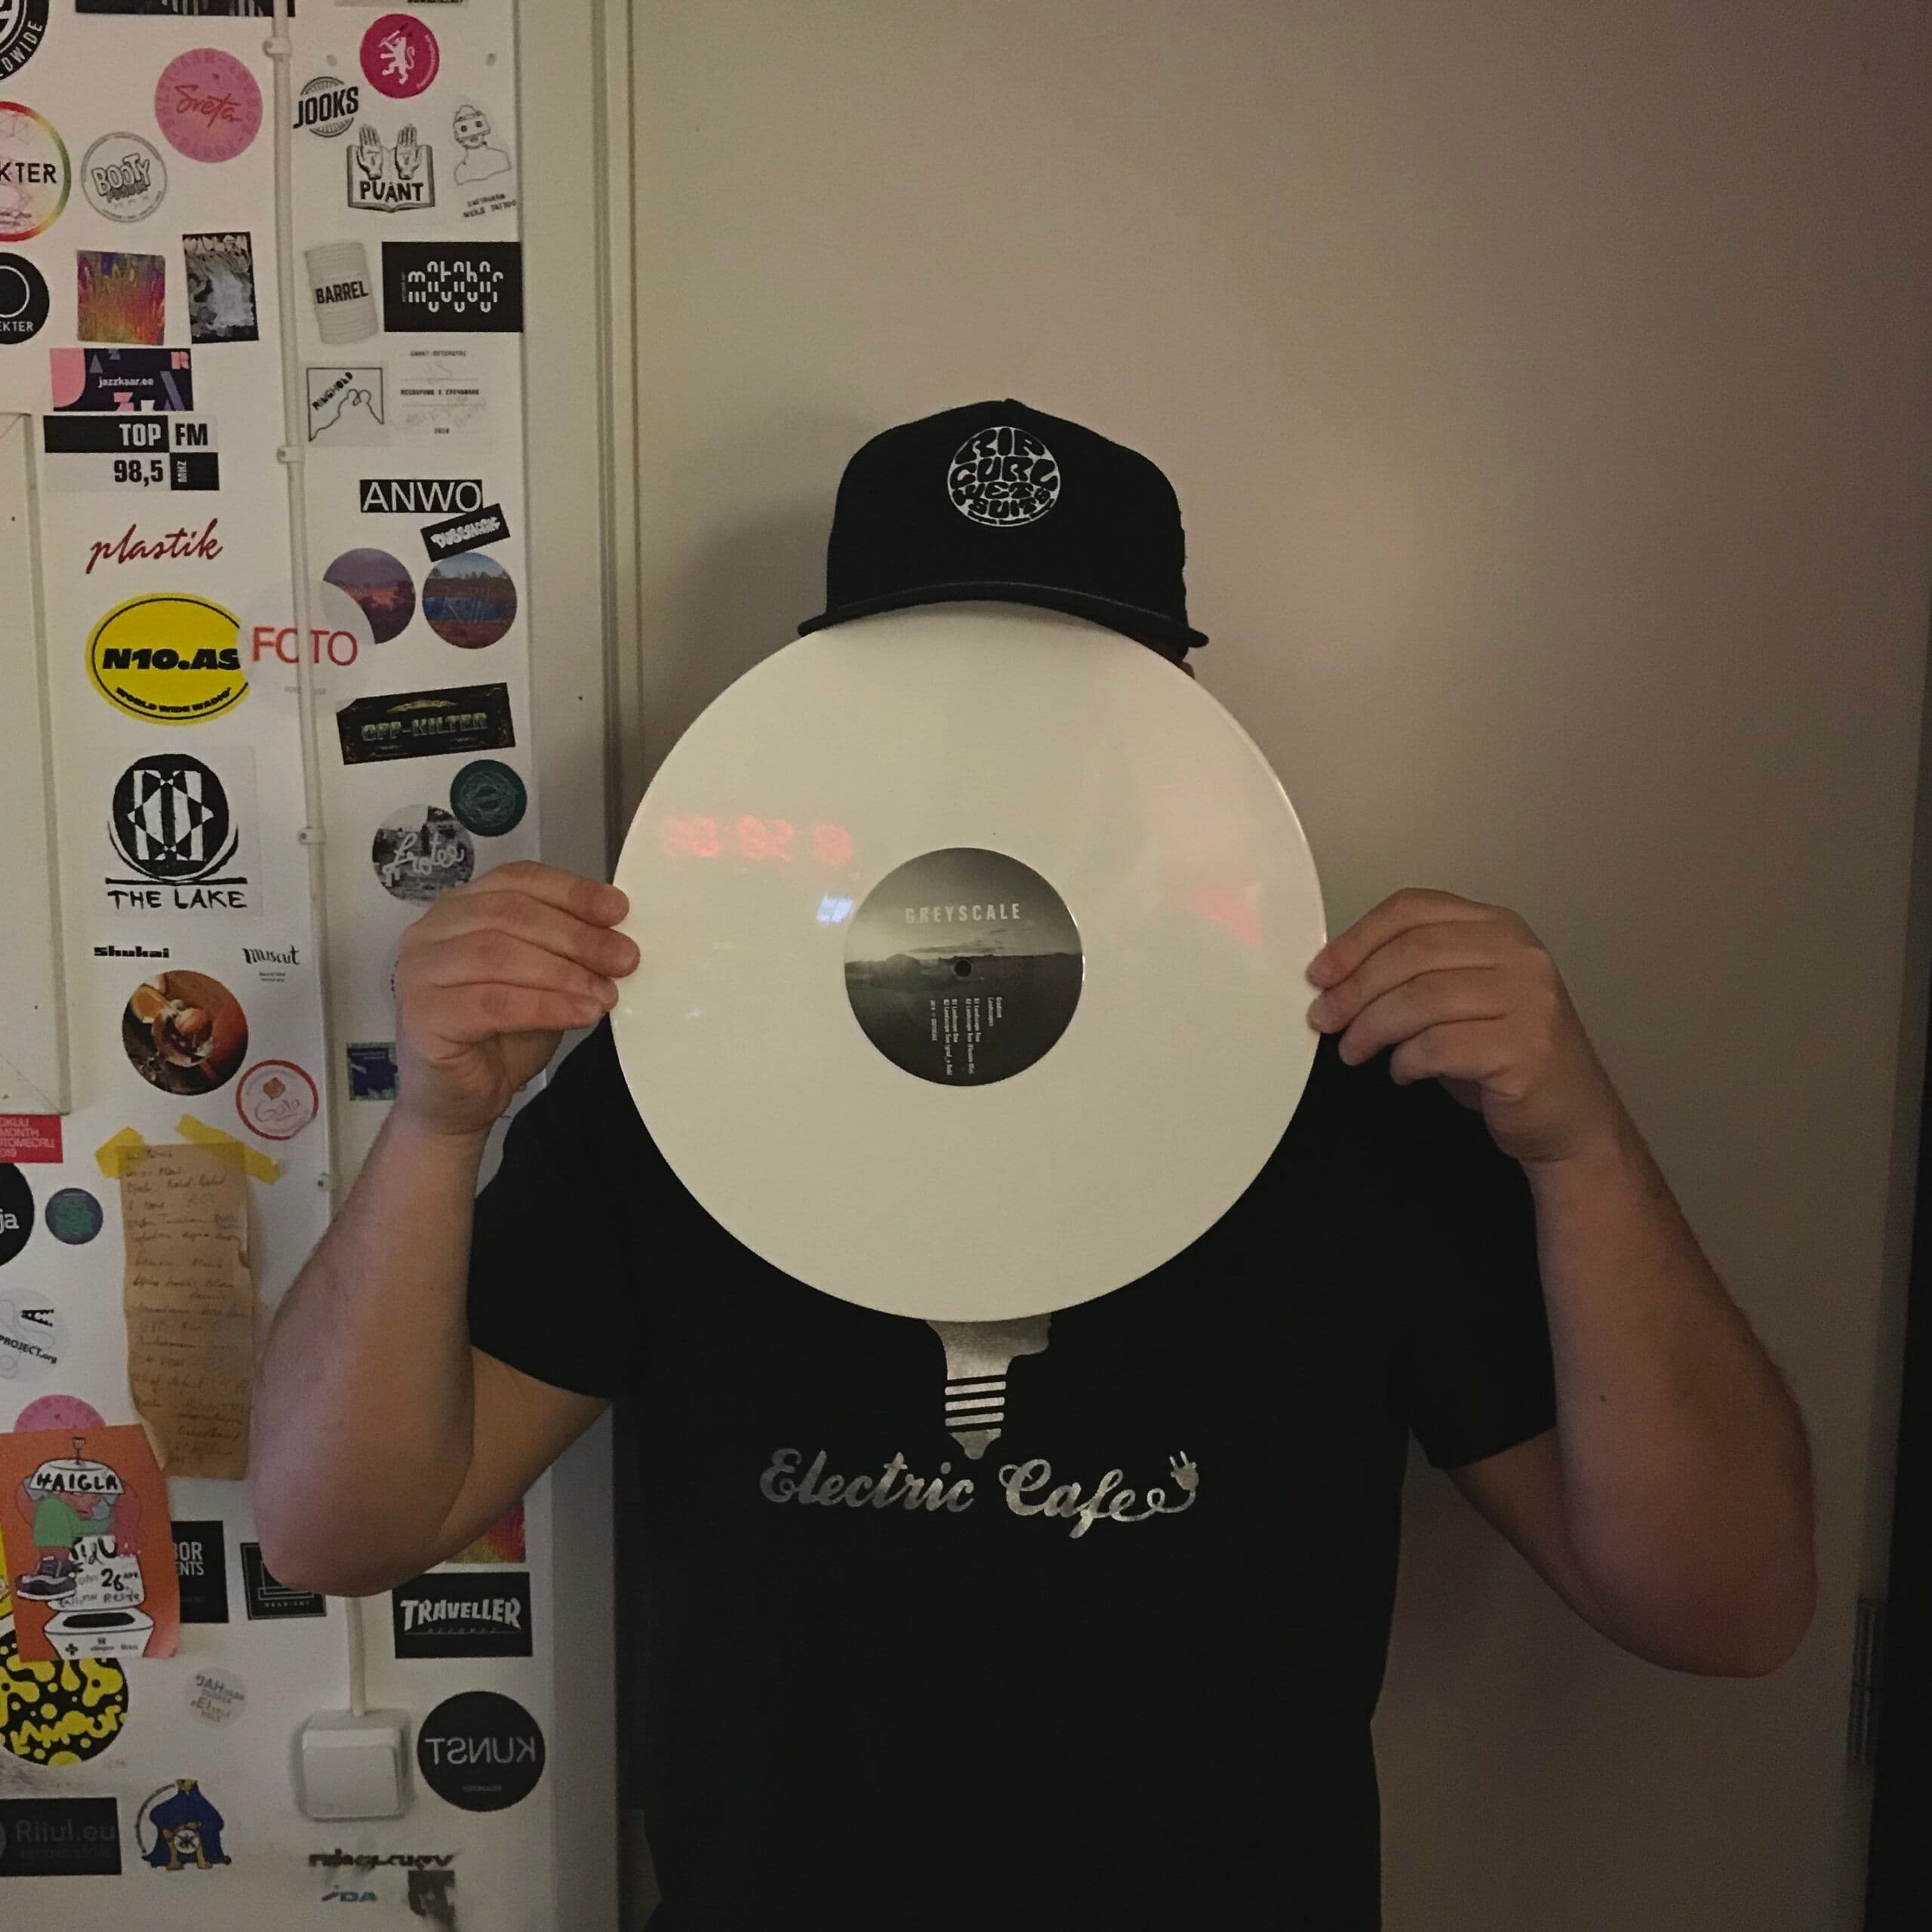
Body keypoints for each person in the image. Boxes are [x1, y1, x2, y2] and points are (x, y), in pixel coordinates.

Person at [254, 404, 1814, 1930]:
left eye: (1066, 696)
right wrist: (437, 1125)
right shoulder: (678, 1069)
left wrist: (1580, 1144)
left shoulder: (1364, 1089)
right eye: (931, 695)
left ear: (1174, 721)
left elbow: (1725, 1607)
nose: (991, 757)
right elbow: (338, 1529)